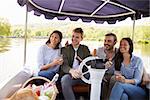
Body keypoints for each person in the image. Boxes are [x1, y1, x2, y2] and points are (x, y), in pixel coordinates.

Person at [60, 28, 91, 100]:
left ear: (81, 38)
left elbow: (89, 62)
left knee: (95, 78)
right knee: (64, 80)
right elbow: (64, 65)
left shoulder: (85, 49)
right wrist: (71, 71)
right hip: (71, 74)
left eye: (77, 37)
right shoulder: (65, 49)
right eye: (73, 36)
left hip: (83, 74)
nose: (74, 39)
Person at [95, 33, 118, 100]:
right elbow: (94, 64)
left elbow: (132, 59)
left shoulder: (119, 52)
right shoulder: (99, 50)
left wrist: (145, 73)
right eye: (105, 41)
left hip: (113, 75)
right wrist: (104, 66)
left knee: (113, 80)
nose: (106, 43)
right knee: (100, 80)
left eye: (109, 41)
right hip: (102, 74)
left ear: (115, 42)